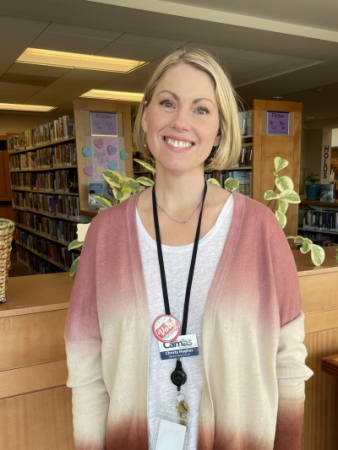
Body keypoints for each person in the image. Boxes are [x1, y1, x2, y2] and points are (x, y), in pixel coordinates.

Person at [64, 49, 313, 450]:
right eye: (167, 103)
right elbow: (87, 371)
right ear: (145, 117)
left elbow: (287, 362)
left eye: (201, 109)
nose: (181, 121)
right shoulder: (105, 235)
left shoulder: (259, 229)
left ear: (219, 130)